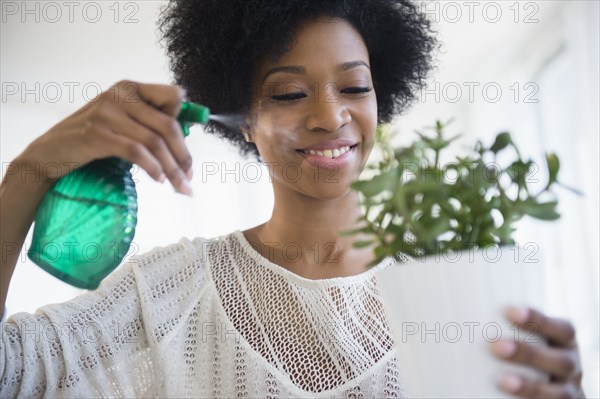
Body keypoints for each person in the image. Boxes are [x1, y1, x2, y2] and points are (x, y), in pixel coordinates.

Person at [0, 0, 586, 397]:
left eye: (355, 87)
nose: (331, 116)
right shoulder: (168, 292)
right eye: (288, 93)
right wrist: (29, 170)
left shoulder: (460, 279)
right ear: (244, 121)